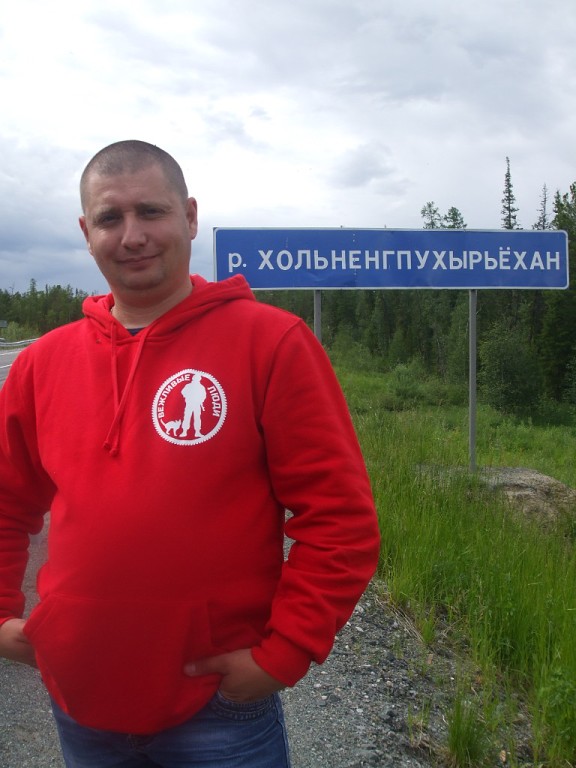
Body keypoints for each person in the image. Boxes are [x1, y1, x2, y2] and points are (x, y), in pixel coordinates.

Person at [0, 140, 380, 767]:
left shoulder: (271, 342)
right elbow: (8, 502)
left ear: (190, 217)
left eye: (151, 211)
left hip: (219, 711)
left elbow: (340, 519)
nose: (133, 236)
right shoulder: (43, 362)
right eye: (110, 218)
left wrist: (285, 652)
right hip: (79, 697)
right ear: (87, 233)